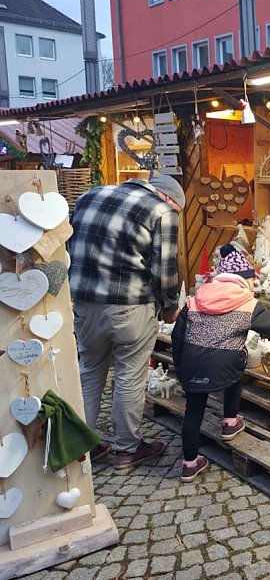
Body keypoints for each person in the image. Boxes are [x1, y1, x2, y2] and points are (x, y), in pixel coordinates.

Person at [69, 173, 186, 469]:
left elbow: (70, 248)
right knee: (130, 374)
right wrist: (171, 306)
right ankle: (127, 449)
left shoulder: (89, 195)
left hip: (84, 303)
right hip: (130, 307)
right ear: (170, 198)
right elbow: (164, 270)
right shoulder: (162, 211)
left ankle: (79, 446)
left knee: (89, 370)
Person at [171, 244, 270, 482]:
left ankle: (189, 464)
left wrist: (182, 369)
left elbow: (178, 336)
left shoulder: (195, 299)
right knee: (237, 363)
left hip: (193, 364)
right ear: (244, 279)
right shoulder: (246, 302)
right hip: (226, 365)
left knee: (193, 411)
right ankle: (230, 421)